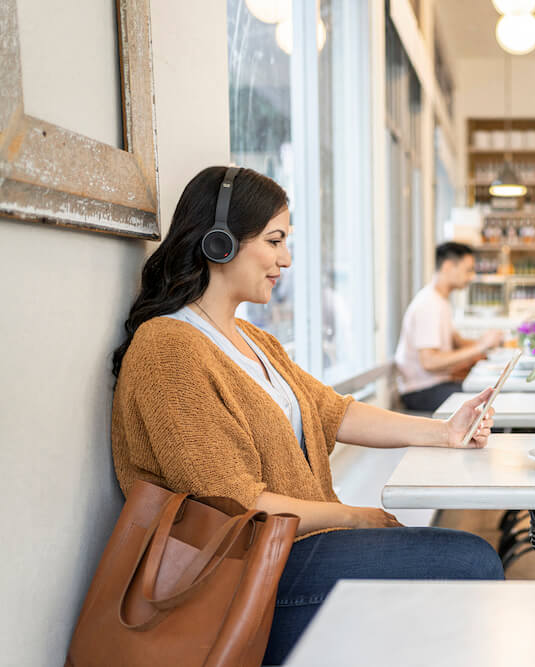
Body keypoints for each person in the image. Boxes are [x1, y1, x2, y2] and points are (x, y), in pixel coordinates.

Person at [110, 167, 504, 665]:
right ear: (219, 242)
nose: (286, 260)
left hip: (291, 553)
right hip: (238, 574)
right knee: (470, 563)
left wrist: (446, 432)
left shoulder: (255, 340)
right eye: (275, 241)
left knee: (459, 561)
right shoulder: (168, 348)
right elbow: (235, 503)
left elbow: (333, 412)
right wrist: (353, 516)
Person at [395, 242, 504, 411]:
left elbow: (457, 342)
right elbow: (429, 362)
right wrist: (481, 346)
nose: (472, 276)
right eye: (468, 270)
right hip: (421, 391)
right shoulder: (428, 304)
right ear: (447, 266)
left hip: (436, 385)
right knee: (490, 406)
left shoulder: (440, 301)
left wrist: (486, 342)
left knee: (493, 398)